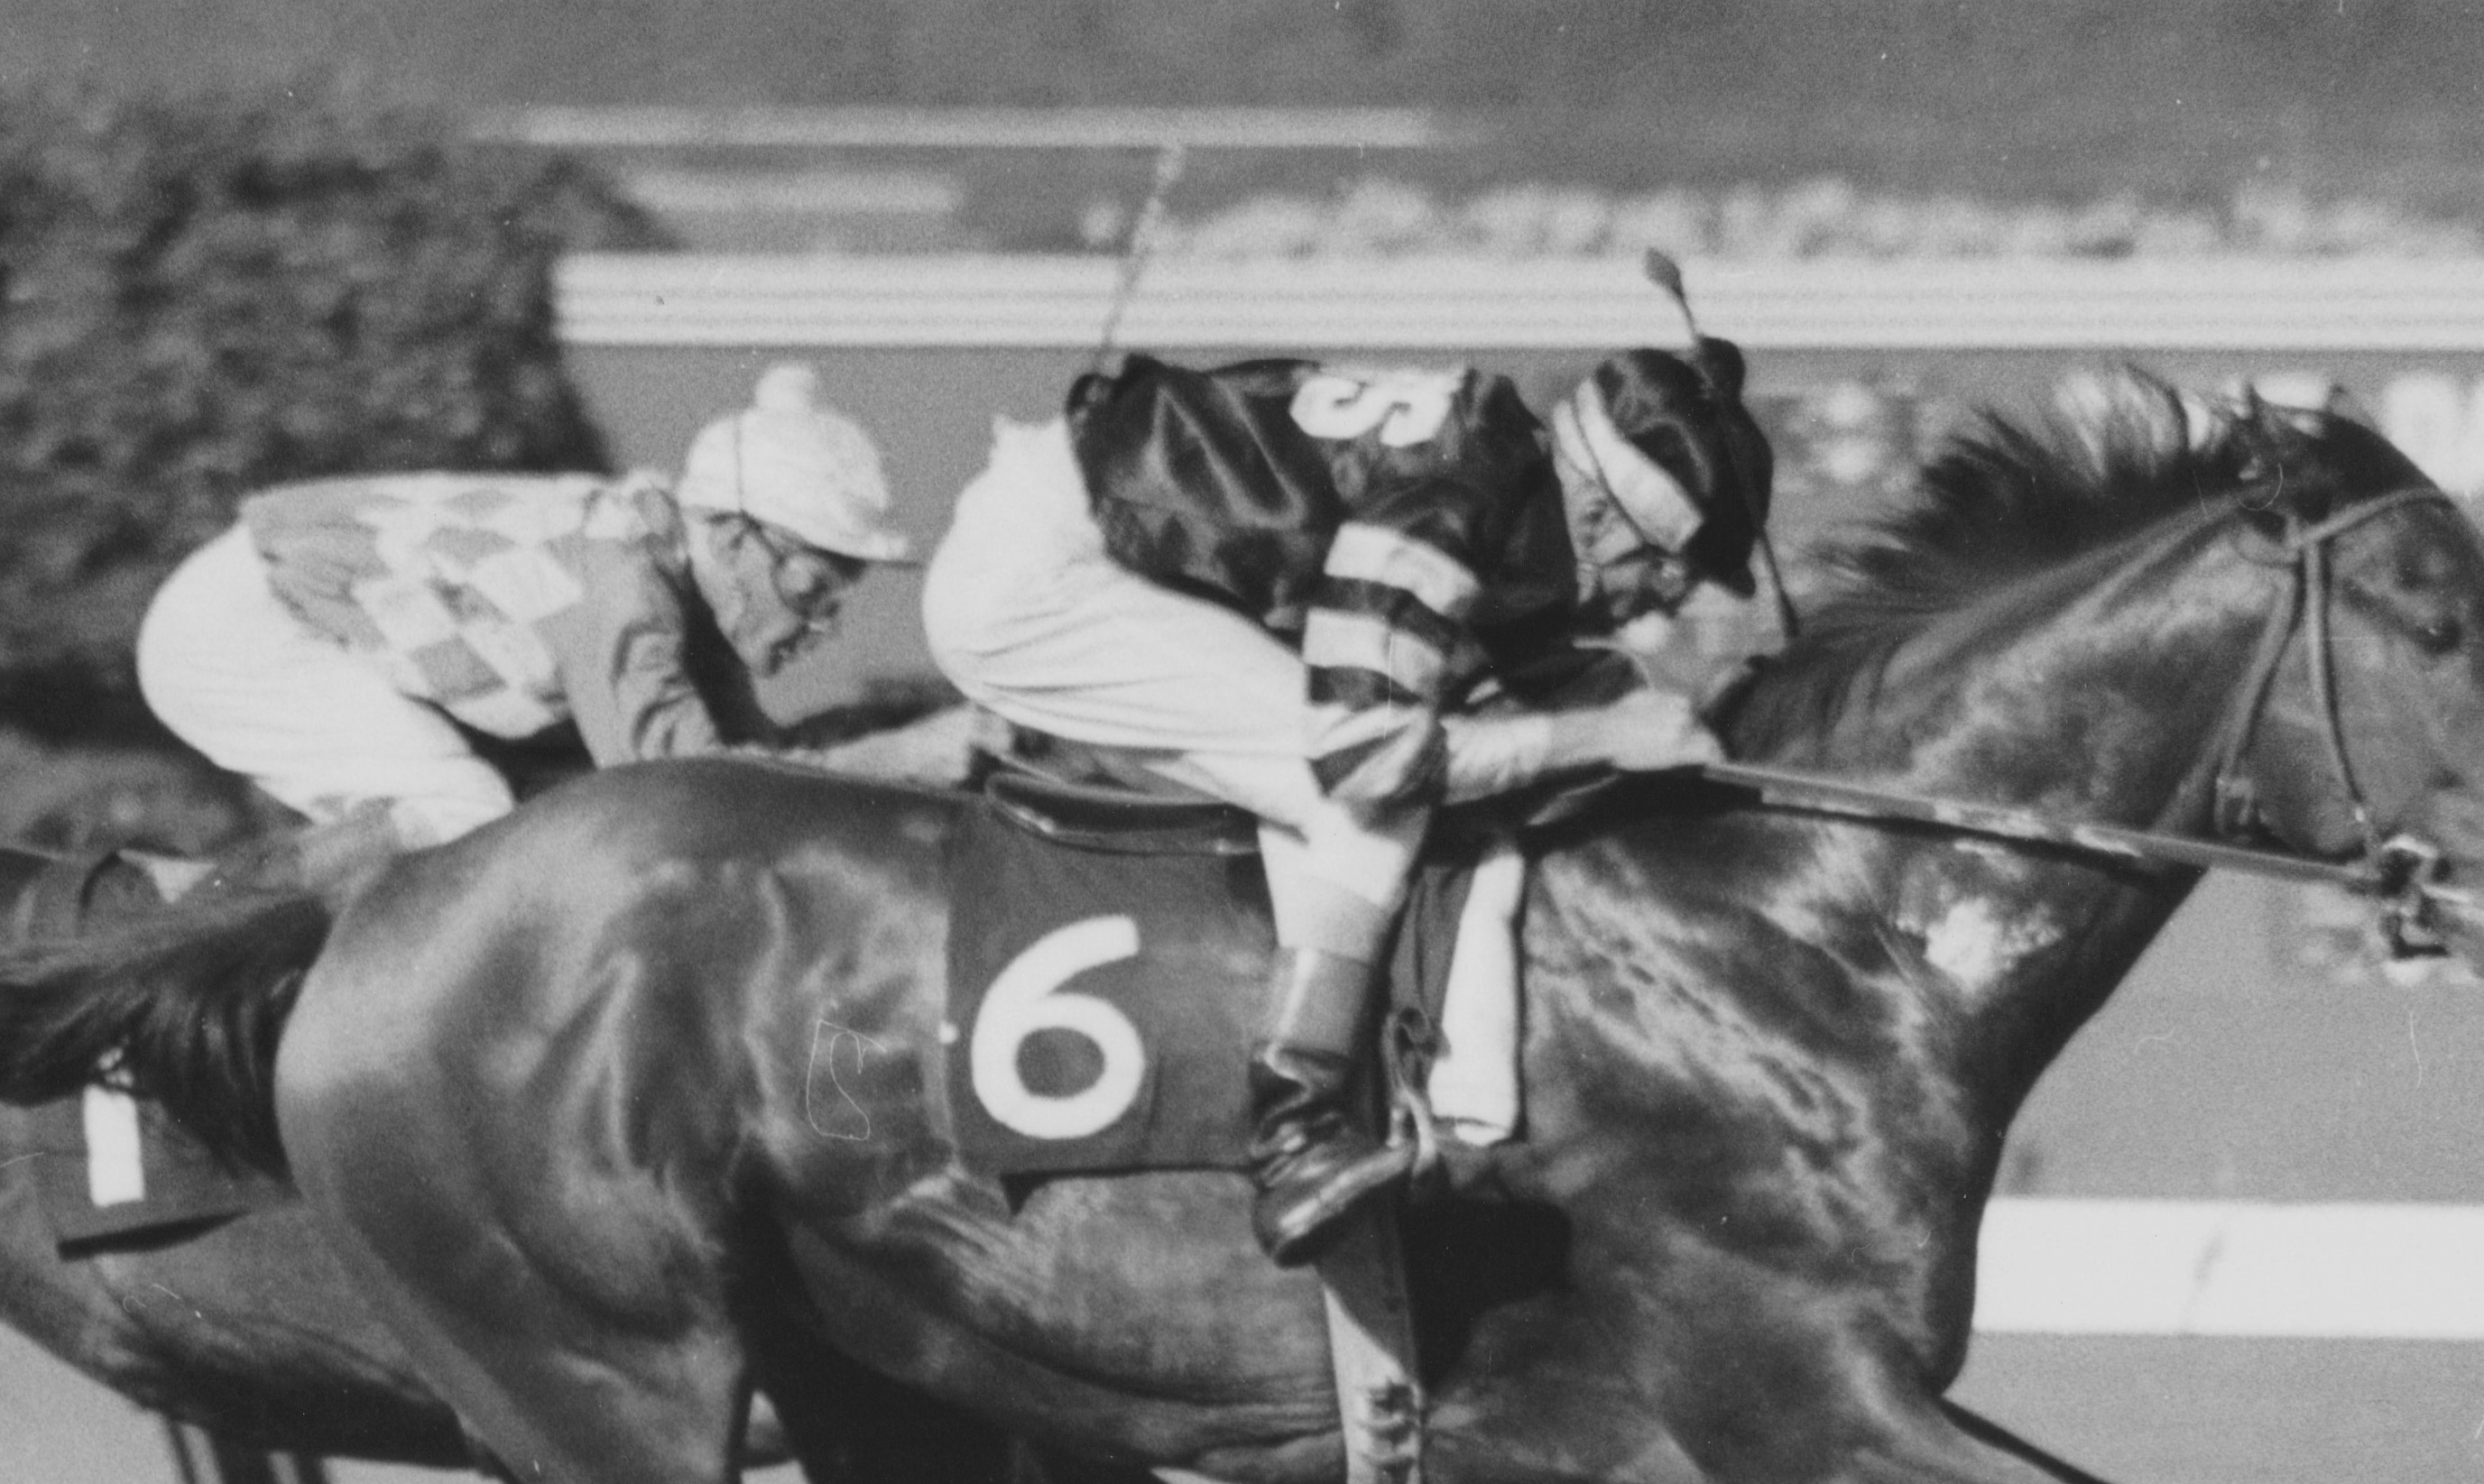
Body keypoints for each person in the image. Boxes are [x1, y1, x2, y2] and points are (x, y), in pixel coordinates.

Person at [919, 328, 1775, 1257]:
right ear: (1604, 517)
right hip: (1040, 581)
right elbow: (1365, 756)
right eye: (1659, 574)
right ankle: (1293, 1137)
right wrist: (1598, 736)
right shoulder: (1448, 503)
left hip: (1103, 535)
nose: (1650, 609)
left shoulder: (1508, 480)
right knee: (1365, 805)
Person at [135, 364, 919, 857]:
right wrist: (906, 758)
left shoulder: (671, 558)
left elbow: (760, 766)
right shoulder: (625, 591)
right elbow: (684, 788)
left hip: (267, 595)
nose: (817, 628)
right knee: (459, 808)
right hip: (238, 630)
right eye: (811, 592)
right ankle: (198, 923)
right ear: (737, 537)